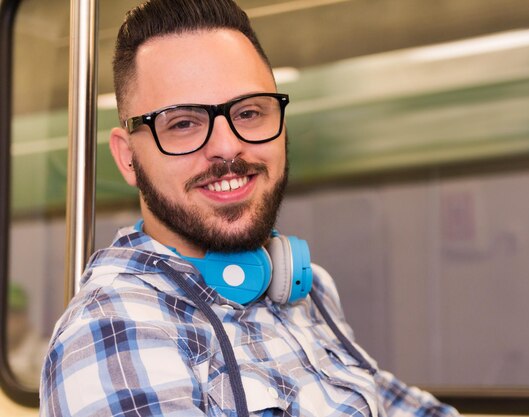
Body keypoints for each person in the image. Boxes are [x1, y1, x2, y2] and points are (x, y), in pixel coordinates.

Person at [40, 1, 461, 416]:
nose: (227, 146)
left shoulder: (303, 289)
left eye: (249, 112)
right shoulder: (113, 332)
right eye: (183, 123)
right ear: (128, 158)